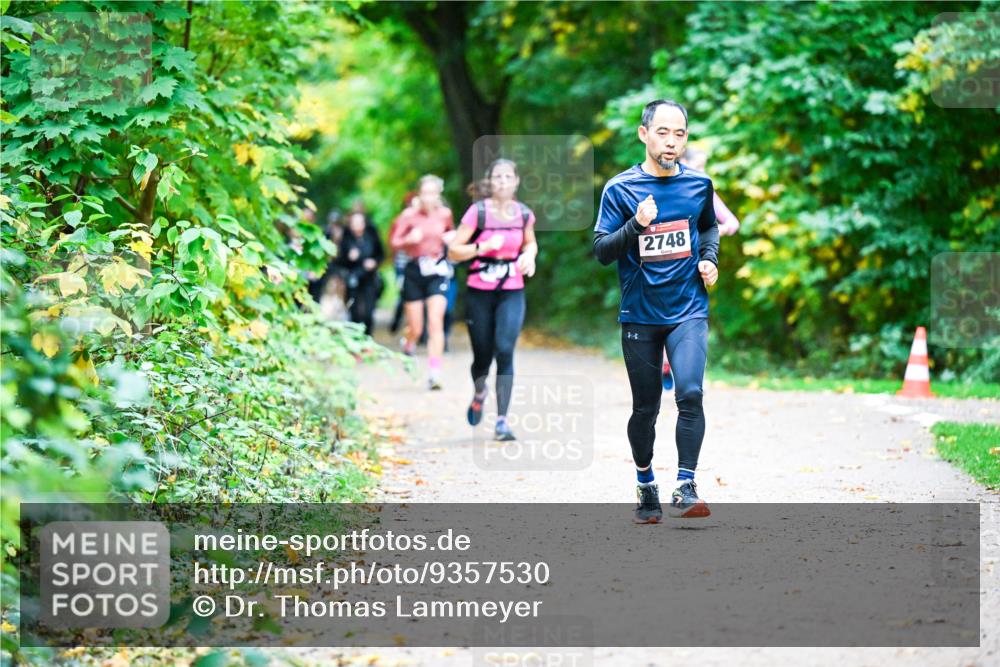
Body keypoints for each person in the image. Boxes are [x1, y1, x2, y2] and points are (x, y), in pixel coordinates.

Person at [593, 99, 720, 524]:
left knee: (691, 393)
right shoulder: (620, 189)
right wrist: (636, 225)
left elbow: (708, 226)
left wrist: (710, 259)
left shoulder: (699, 184)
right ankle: (646, 483)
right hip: (640, 315)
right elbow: (602, 251)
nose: (671, 141)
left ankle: (685, 485)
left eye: (679, 134)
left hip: (688, 309)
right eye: (663, 132)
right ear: (644, 134)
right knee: (646, 408)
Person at [448, 160, 538, 442]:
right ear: (490, 181)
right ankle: (479, 391)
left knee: (505, 350)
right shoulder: (478, 212)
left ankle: (502, 421)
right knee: (482, 357)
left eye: (508, 176)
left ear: (516, 181)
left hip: (511, 289)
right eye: (497, 177)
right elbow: (453, 251)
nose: (503, 181)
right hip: (480, 291)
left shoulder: (523, 214)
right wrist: (482, 247)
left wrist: (529, 256)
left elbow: (530, 242)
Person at [660, 146, 741, 391]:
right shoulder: (665, 187)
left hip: (696, 266)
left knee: (688, 317)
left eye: (705, 166)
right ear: (681, 162)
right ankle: (665, 363)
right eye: (698, 166)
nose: (703, 171)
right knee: (663, 315)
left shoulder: (704, 188)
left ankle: (678, 366)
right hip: (664, 264)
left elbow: (732, 223)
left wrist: (712, 232)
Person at [389, 174, 455, 390]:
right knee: (416, 328)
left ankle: (435, 374)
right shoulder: (408, 215)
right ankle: (409, 342)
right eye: (425, 193)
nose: (429, 197)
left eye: (433, 193)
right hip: (415, 271)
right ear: (419, 194)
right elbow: (394, 242)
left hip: (437, 271)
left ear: (439, 194)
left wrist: (451, 238)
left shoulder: (445, 214)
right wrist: (408, 240)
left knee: (435, 322)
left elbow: (452, 235)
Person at [337, 210, 384, 335]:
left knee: (369, 311)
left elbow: (381, 255)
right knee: (354, 312)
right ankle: (355, 337)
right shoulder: (346, 239)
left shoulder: (371, 236)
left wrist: (374, 262)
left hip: (370, 278)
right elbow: (339, 261)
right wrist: (349, 257)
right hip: (353, 279)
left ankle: (368, 336)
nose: (357, 225)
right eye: (354, 223)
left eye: (359, 222)